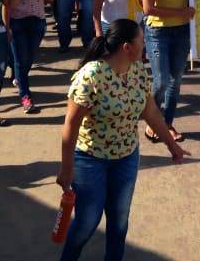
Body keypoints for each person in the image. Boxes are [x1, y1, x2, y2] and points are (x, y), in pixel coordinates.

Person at [56, 19, 189, 261]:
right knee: (87, 221)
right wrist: (67, 169)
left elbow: (151, 113)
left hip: (126, 158)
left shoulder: (137, 70)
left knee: (119, 221)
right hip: (90, 159)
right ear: (127, 47)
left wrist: (173, 146)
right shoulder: (91, 76)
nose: (146, 46)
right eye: (142, 40)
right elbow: (70, 127)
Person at [141, 0, 197, 143]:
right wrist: (180, 13)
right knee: (162, 80)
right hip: (158, 33)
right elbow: (148, 9)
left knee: (176, 80)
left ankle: (167, 124)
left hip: (181, 32)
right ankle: (152, 120)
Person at [6, 0, 55, 114]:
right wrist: (7, 27)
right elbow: (7, 5)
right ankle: (26, 97)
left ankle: (19, 79)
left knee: (28, 59)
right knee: (20, 61)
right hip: (18, 22)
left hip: (38, 22)